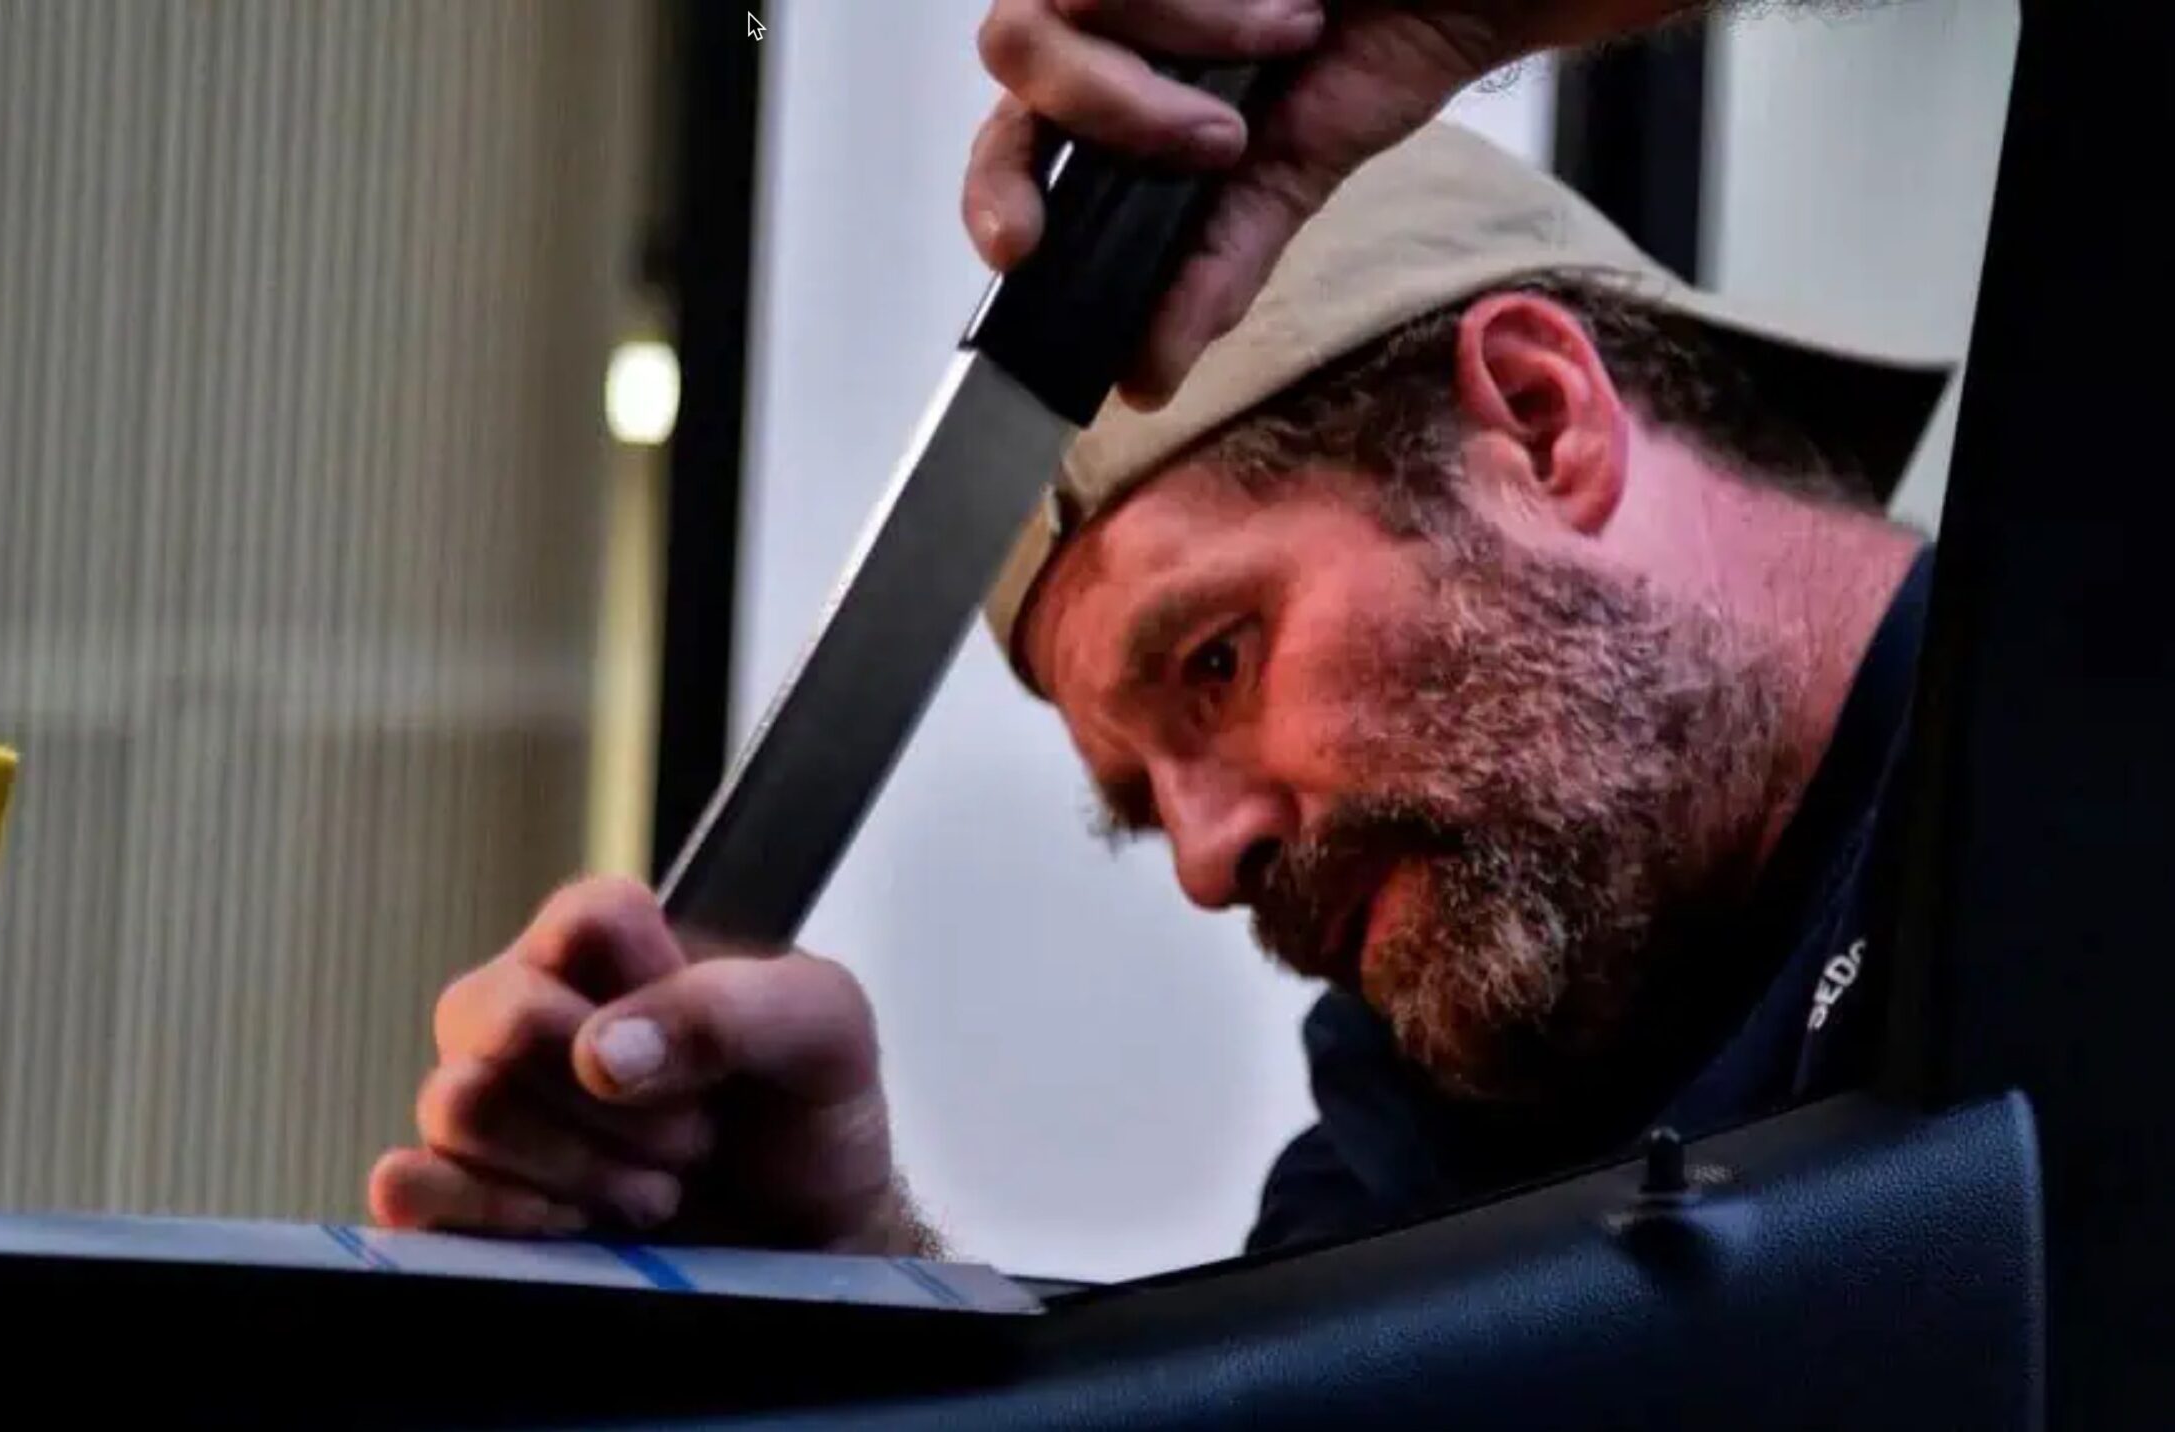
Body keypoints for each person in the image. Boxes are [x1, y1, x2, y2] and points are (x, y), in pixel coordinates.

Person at [367, 0, 1949, 1258]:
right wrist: (831, 1281)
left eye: (1219, 661)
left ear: (1538, 426)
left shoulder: (2125, 752)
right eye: (1143, 806)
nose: (1205, 862)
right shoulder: (1410, 1150)